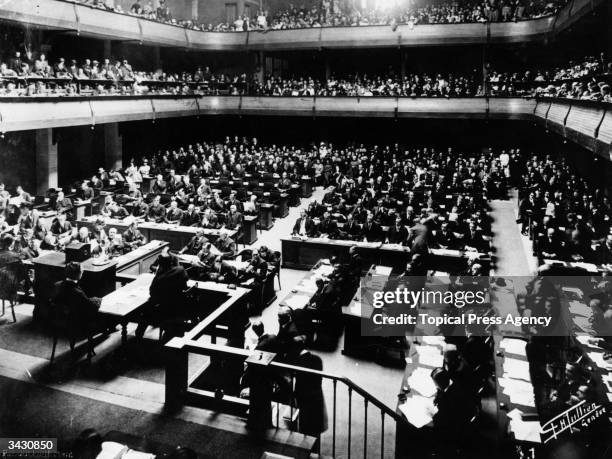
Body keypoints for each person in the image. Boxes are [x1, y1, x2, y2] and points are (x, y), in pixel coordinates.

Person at [135, 250, 189, 339]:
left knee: (146, 310)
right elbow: (186, 279)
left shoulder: (159, 278)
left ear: (160, 265)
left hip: (164, 309)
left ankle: (138, 335)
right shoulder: (181, 270)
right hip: (179, 306)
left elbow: (152, 292)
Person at [51, 262, 102, 330]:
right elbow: (89, 306)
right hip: (76, 318)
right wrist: (98, 300)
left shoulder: (57, 285)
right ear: (78, 274)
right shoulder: (77, 292)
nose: (82, 272)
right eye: (81, 271)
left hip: (60, 315)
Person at [294, 346, 328, 438]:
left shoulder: (300, 362)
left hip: (306, 400)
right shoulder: (317, 359)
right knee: (315, 429)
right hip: (316, 398)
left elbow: (299, 385)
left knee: (306, 428)